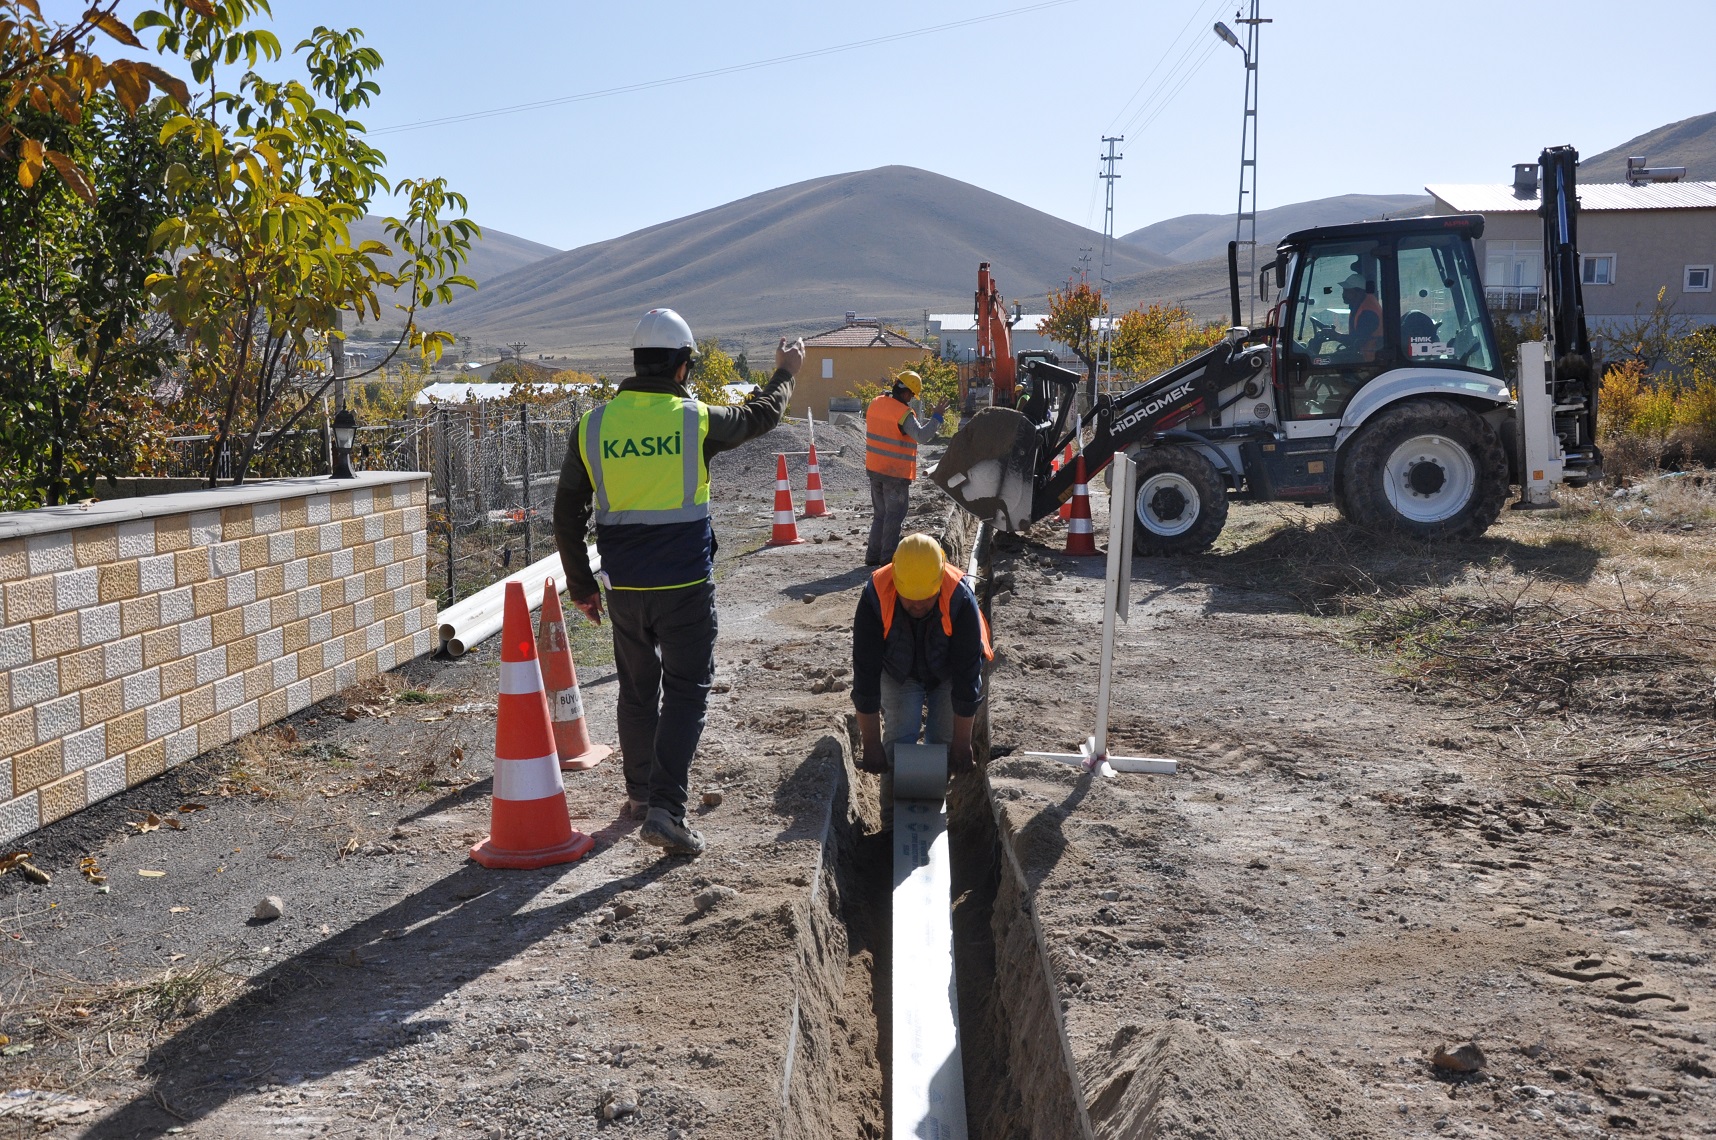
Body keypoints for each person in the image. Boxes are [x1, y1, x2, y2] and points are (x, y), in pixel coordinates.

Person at [553, 307, 805, 857]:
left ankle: (642, 794)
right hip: (685, 587)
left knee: (638, 690)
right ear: (683, 367)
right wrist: (786, 371)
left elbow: (566, 509)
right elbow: (761, 417)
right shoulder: (693, 420)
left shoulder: (593, 426)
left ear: (637, 363)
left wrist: (581, 585)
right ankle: (667, 808)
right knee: (687, 692)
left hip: (623, 590)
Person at [851, 533, 992, 814]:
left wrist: (962, 745)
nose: (917, 606)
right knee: (899, 738)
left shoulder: (960, 596)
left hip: (947, 670)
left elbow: (967, 677)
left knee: (944, 742)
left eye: (925, 600)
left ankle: (932, 809)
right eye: (910, 601)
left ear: (939, 583)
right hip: (897, 669)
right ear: (897, 585)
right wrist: (870, 743)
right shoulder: (876, 594)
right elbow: (865, 674)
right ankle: (892, 818)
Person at [864, 371, 946, 566]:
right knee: (893, 517)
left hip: (875, 469)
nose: (911, 400)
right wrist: (937, 417)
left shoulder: (876, 402)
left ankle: (873, 556)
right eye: (911, 395)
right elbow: (922, 436)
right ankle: (886, 561)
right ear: (908, 393)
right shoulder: (902, 414)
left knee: (880, 516)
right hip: (895, 475)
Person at [1336, 273, 1384, 358]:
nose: (1343, 295)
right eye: (1344, 291)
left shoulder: (1368, 312)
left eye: (1347, 291)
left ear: (1359, 292)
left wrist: (1335, 335)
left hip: (1369, 359)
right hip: (1361, 356)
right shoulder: (1359, 306)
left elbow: (1357, 341)